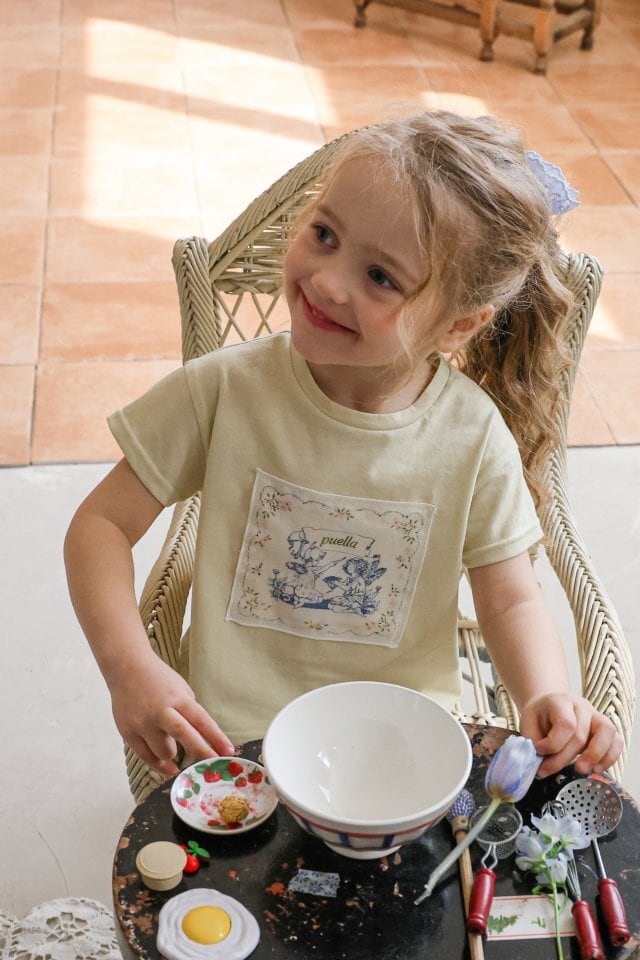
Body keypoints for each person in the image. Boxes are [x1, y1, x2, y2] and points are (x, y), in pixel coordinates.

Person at [64, 110, 623, 786]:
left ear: (459, 324)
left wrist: (545, 693)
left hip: (405, 753)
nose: (328, 282)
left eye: (381, 277)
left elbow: (509, 601)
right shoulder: (223, 390)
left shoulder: (473, 436)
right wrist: (130, 667)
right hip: (231, 743)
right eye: (324, 234)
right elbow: (100, 525)